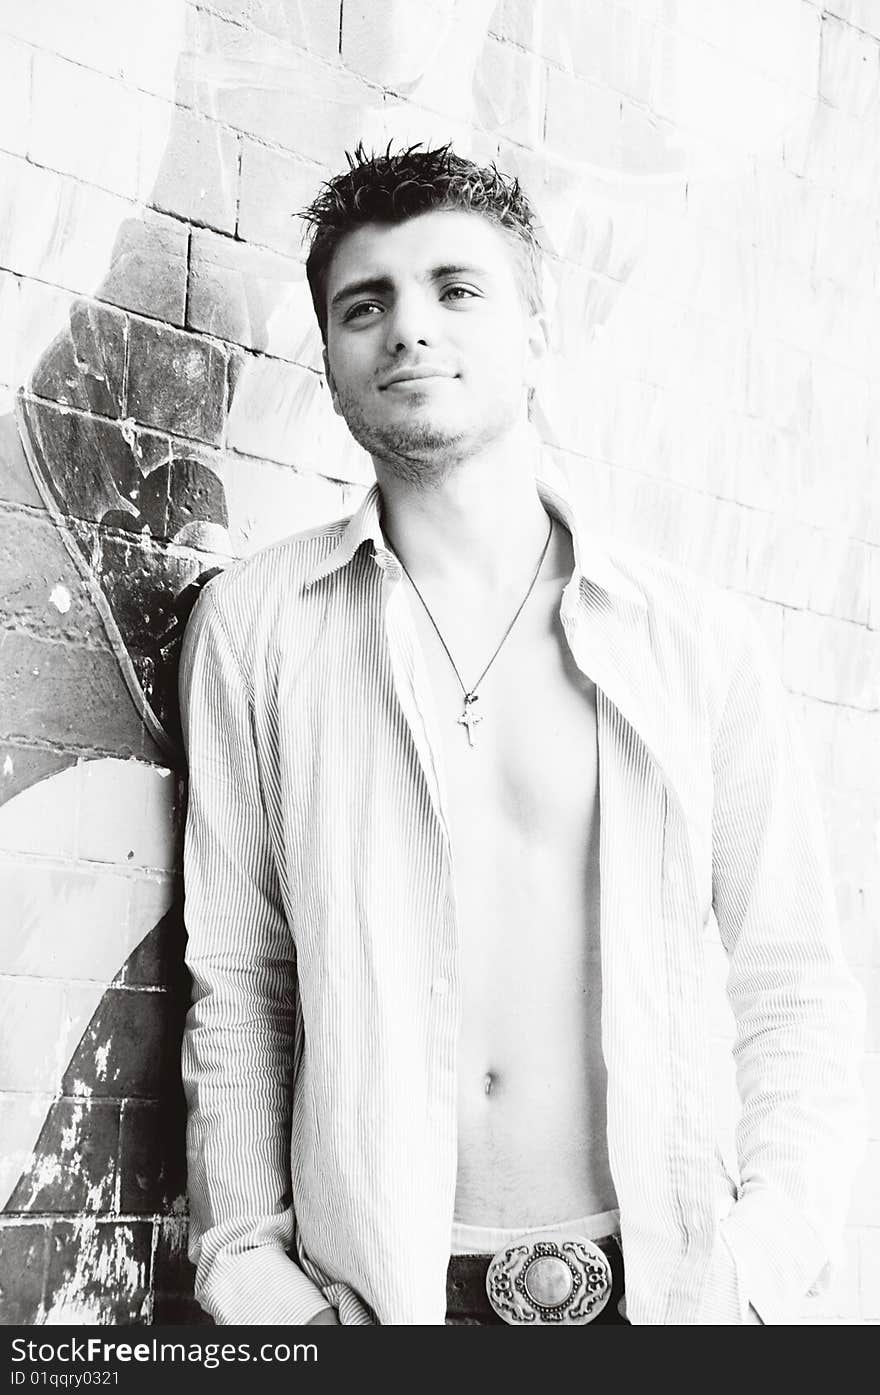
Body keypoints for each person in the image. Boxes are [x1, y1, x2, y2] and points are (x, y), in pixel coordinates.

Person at [178, 143, 866, 1326]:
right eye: (365, 305)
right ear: (334, 369)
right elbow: (238, 975)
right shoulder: (258, 627)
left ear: (537, 335)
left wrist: (757, 1271)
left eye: (457, 289)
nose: (409, 329)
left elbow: (792, 981)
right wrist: (250, 1267)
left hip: (660, 1293)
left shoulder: (692, 642)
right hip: (378, 1298)